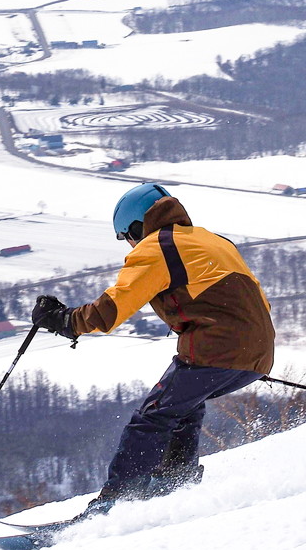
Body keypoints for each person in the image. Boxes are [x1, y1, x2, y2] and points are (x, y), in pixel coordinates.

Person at [32, 183, 275, 516]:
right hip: (258, 351)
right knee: (182, 406)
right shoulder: (211, 240)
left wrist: (64, 320)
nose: (128, 244)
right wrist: (245, 353)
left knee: (151, 418)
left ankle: (115, 503)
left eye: (124, 236)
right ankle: (176, 480)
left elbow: (112, 309)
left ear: (136, 226)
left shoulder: (159, 246)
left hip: (218, 349)